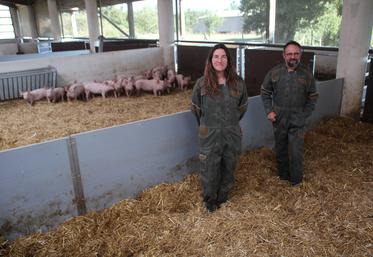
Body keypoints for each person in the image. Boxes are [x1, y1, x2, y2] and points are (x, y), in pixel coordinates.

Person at [191, 44, 248, 212]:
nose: (219, 60)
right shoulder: (201, 84)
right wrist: (208, 126)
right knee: (209, 170)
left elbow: (242, 107)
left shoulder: (238, 84)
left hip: (231, 134)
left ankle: (223, 198)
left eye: (223, 57)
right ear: (210, 60)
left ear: (228, 60)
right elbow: (196, 109)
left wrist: (229, 124)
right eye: (216, 56)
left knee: (229, 167)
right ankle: (210, 202)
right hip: (209, 135)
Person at [261, 40, 318, 186]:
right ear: (284, 55)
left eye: (296, 54)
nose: (293, 57)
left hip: (297, 118)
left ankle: (296, 181)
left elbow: (313, 97)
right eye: (289, 54)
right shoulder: (274, 72)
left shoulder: (307, 75)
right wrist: (269, 111)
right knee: (280, 147)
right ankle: (283, 176)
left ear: (300, 55)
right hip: (279, 118)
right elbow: (265, 92)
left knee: (296, 150)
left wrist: (304, 114)